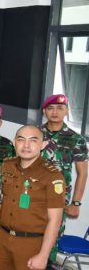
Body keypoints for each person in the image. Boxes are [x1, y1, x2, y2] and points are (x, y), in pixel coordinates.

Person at [0, 125, 65, 270]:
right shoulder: (6, 166)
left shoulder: (52, 176)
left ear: (43, 145)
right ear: (14, 143)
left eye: (33, 140)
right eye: (21, 139)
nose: (26, 145)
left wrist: (43, 254)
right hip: (3, 237)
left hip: (31, 242)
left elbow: (55, 220)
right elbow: (1, 202)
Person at [40, 95, 88, 259]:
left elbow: (82, 173)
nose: (55, 112)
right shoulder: (35, 134)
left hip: (59, 198)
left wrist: (75, 202)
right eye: (51, 108)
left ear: (67, 111)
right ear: (44, 111)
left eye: (60, 108)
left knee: (52, 237)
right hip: (32, 195)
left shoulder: (76, 139)